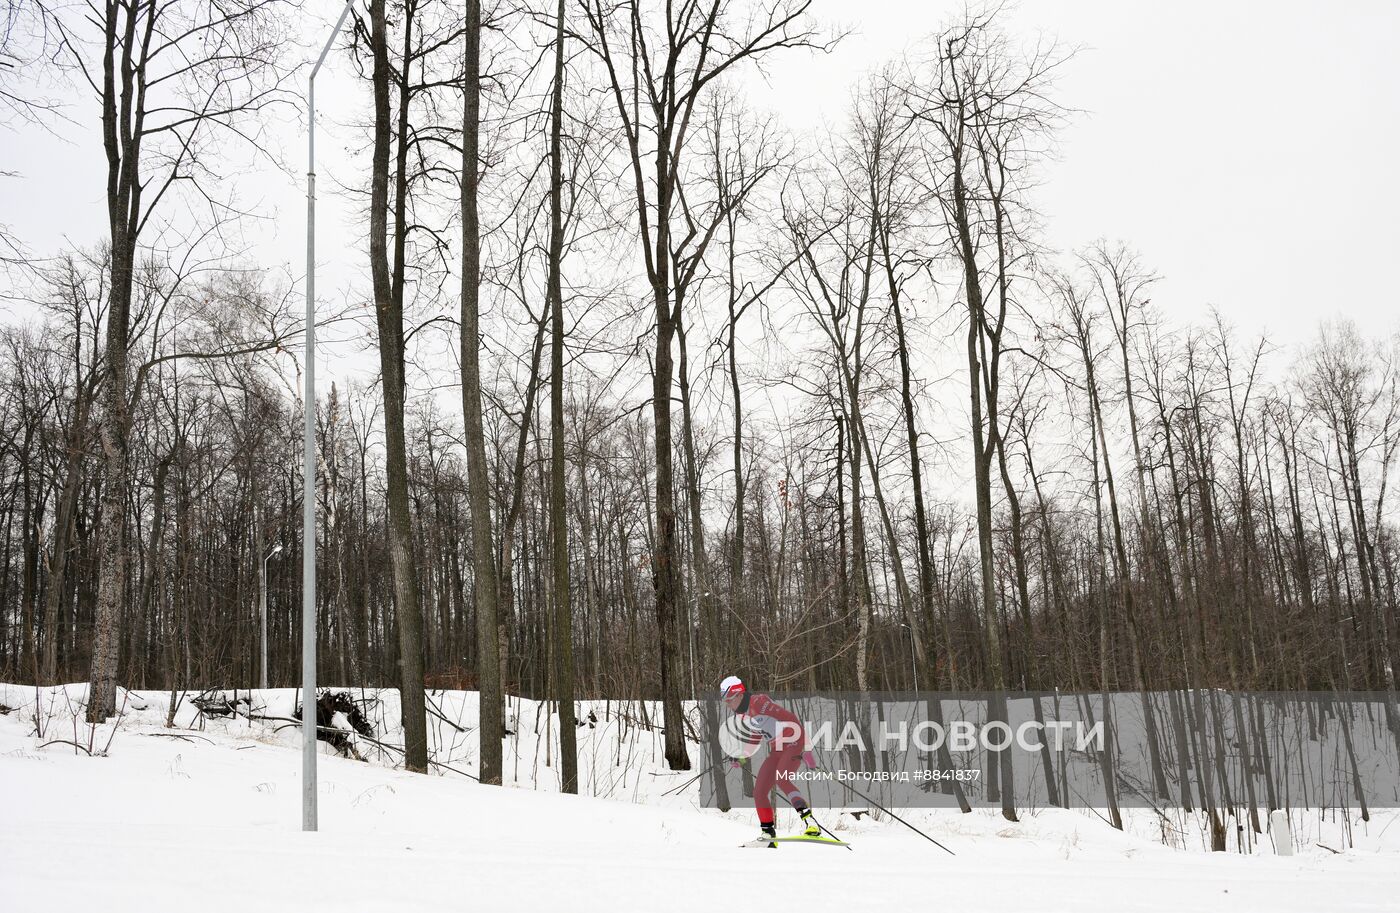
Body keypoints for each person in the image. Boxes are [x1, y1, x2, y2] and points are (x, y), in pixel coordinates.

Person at [720, 675, 822, 845]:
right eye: (726, 701)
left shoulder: (759, 703)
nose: (729, 705)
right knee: (759, 791)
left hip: (794, 743)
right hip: (777, 750)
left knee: (782, 780)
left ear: (739, 695)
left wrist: (807, 748)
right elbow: (754, 739)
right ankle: (768, 834)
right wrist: (741, 758)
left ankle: (811, 824)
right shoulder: (746, 715)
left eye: (730, 700)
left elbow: (791, 718)